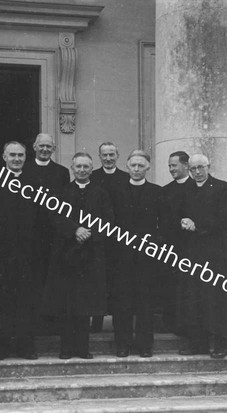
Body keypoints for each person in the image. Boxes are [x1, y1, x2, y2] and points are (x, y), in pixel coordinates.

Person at [41, 153, 113, 359]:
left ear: (91, 169)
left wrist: (88, 232)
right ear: (72, 169)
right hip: (66, 255)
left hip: (91, 255)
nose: (82, 170)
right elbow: (54, 216)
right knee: (67, 304)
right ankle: (66, 348)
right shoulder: (62, 192)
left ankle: (82, 348)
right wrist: (74, 230)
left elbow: (108, 219)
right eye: (78, 166)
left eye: (86, 167)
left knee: (85, 304)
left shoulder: (101, 193)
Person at [176, 154, 227, 359]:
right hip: (193, 253)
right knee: (195, 298)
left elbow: (225, 221)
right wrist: (182, 222)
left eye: (200, 168)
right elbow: (177, 213)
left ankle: (221, 343)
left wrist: (198, 226)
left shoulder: (221, 188)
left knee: (217, 299)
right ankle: (198, 343)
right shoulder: (185, 190)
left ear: (208, 167)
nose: (197, 172)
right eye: (193, 168)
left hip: (216, 253)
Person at [0, 141, 40, 360]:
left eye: (21, 155)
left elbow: (41, 217)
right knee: (1, 299)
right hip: (0, 253)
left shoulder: (33, 181)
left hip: (27, 252)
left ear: (26, 157)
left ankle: (26, 344)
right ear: (4, 157)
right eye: (12, 155)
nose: (17, 159)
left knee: (26, 298)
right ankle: (1, 344)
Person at [111, 150, 163, 358]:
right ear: (127, 166)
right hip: (122, 257)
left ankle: (144, 345)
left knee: (145, 302)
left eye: (141, 166)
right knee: (121, 302)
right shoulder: (116, 191)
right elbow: (109, 223)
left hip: (147, 257)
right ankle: (122, 344)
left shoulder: (157, 192)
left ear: (147, 168)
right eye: (133, 165)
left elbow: (163, 224)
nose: (137, 169)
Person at [90, 142, 129, 332]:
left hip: (119, 239)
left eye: (111, 154)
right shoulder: (93, 177)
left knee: (118, 280)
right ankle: (96, 322)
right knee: (97, 281)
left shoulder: (126, 178)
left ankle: (117, 323)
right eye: (104, 155)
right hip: (97, 238)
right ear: (99, 156)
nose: (108, 158)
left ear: (117, 155)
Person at [22, 133, 70, 284]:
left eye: (48, 146)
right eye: (41, 145)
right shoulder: (25, 169)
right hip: (29, 231)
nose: (44, 149)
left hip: (52, 232)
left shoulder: (62, 172)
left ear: (54, 149)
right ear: (34, 147)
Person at [160, 151, 195, 331]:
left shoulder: (197, 188)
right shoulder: (165, 191)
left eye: (174, 165)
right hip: (172, 247)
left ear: (186, 165)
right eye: (169, 166)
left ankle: (187, 326)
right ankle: (171, 324)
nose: (171, 169)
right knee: (171, 287)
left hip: (193, 247)